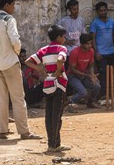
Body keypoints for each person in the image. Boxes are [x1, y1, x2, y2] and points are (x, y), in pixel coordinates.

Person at [0, 0, 40, 140]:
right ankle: (24, 131)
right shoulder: (9, 19)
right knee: (18, 98)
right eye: (13, 4)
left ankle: (2, 130)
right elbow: (15, 40)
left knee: (1, 98)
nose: (14, 7)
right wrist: (15, 52)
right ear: (6, 5)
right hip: (10, 62)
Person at [26, 25, 70, 153]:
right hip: (58, 84)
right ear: (59, 37)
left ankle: (54, 143)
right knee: (57, 115)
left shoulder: (43, 50)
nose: (64, 39)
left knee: (49, 115)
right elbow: (61, 58)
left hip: (47, 84)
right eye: (63, 36)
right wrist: (57, 70)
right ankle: (53, 144)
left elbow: (29, 61)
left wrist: (40, 69)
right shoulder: (61, 48)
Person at [90, 1, 114, 98]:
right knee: (103, 75)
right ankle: (103, 95)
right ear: (98, 12)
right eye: (101, 11)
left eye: (104, 10)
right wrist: (96, 51)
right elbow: (92, 38)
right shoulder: (95, 23)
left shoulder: (112, 22)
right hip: (101, 53)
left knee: (111, 74)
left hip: (111, 52)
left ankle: (111, 95)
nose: (103, 12)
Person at [67, 34, 101, 110]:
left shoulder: (91, 51)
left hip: (84, 75)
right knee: (83, 92)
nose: (90, 45)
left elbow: (91, 65)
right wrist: (87, 75)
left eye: (91, 43)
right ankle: (66, 103)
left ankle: (91, 103)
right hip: (73, 76)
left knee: (97, 86)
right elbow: (73, 69)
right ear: (82, 44)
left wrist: (92, 74)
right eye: (87, 44)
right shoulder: (75, 52)